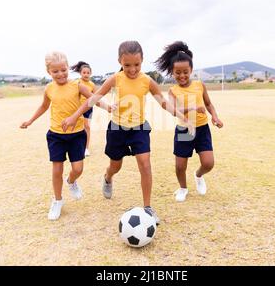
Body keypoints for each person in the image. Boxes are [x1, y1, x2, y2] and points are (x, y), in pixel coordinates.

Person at [62, 41, 193, 224]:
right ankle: (108, 178)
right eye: (127, 65)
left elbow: (163, 102)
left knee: (145, 164)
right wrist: (75, 116)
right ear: (120, 62)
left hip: (139, 128)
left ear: (142, 60)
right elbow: (93, 99)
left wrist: (181, 116)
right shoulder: (115, 79)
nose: (132, 69)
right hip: (117, 129)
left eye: (137, 65)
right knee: (116, 166)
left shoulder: (147, 81)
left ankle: (148, 208)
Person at [20, 51, 112, 220]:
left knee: (78, 169)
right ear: (49, 72)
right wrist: (30, 121)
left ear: (67, 68)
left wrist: (107, 107)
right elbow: (43, 107)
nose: (60, 74)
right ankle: (57, 200)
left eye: (63, 70)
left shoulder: (77, 85)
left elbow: (93, 98)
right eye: (55, 71)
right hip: (56, 135)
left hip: (77, 135)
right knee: (56, 170)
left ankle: (71, 181)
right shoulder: (49, 88)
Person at [154, 41, 224, 202]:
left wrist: (215, 116)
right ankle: (183, 188)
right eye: (177, 72)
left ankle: (198, 176)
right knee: (180, 166)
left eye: (185, 72)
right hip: (184, 131)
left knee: (208, 163)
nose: (182, 76)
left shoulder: (200, 85)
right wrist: (191, 109)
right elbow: (173, 111)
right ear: (172, 72)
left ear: (191, 70)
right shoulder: (173, 90)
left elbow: (208, 104)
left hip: (202, 129)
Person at [71, 61, 97, 157]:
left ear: (90, 73)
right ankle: (74, 146)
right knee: (76, 126)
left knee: (87, 127)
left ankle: (86, 148)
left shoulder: (92, 84)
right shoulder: (76, 83)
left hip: (88, 109)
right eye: (84, 73)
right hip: (77, 108)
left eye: (88, 73)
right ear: (80, 73)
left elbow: (97, 96)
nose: (86, 74)